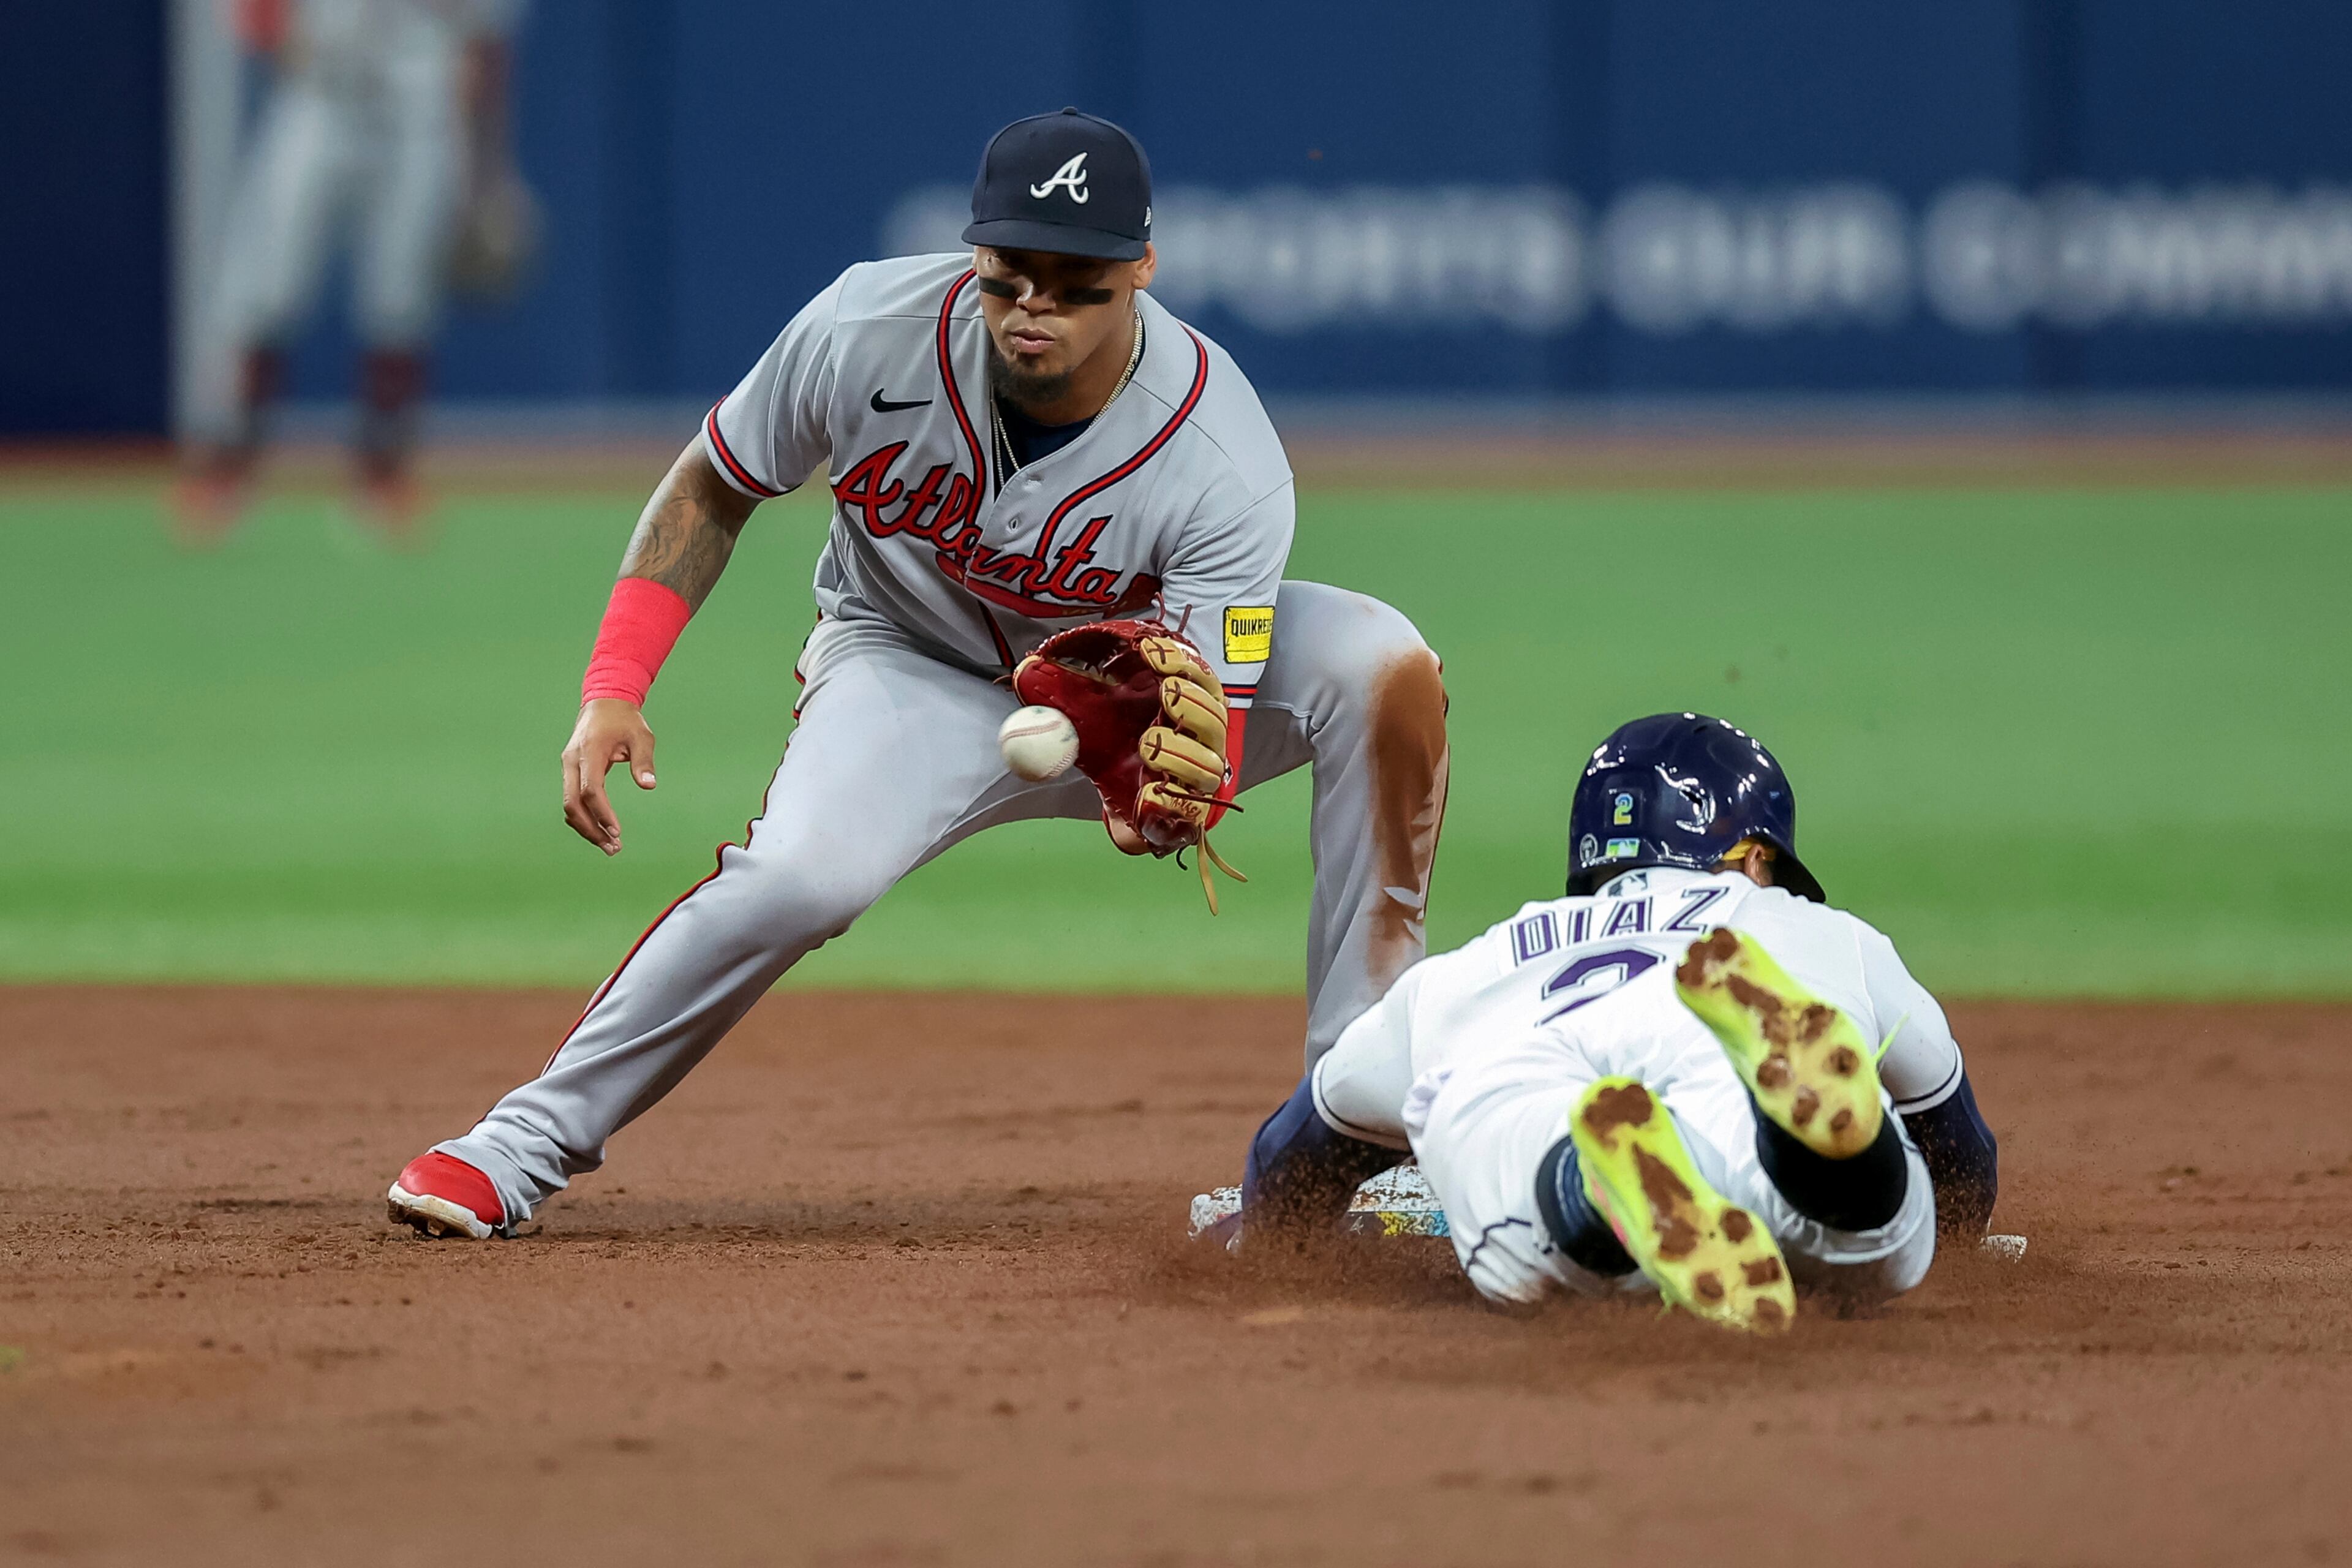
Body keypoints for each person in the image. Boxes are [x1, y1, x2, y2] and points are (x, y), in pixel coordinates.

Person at [383, 108, 1450, 1240]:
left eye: (1075, 278)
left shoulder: (1221, 457)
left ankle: (1356, 1142)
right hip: (907, 663)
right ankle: (518, 1145)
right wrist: (615, 684)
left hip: (1118, 697)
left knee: (1383, 666)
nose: (1034, 302)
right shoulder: (865, 327)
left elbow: (1200, 739)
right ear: (972, 250)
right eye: (1009, 273)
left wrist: (1166, 799)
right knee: (799, 880)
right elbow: (718, 482)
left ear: (1142, 267)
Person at [1234, 712, 1998, 1330]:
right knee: (1877, 1245)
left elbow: (1295, 1150)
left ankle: (1589, 1186)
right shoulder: (1818, 933)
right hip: (1721, 1061)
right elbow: (1962, 1157)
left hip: (1531, 1063)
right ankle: (1830, 1165)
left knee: (1515, 1187)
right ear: (1755, 859)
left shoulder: (1470, 970)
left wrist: (1266, 1240)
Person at [176, 0, 530, 540]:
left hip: (420, 112)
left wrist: (490, 171)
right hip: (318, 99)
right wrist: (278, 40)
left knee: (401, 301)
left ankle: (384, 477)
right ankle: (227, 468)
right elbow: (256, 18)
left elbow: (486, 41)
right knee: (264, 291)